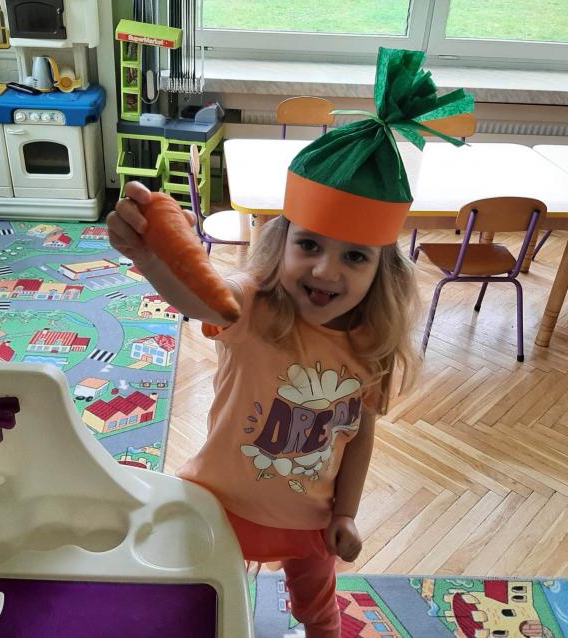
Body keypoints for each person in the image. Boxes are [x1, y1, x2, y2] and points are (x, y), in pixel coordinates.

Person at [107, 47, 472, 638]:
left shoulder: (371, 345)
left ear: (382, 269)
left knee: (319, 611)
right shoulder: (251, 307)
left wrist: (346, 513)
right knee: (201, 603)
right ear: (282, 241)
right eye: (310, 245)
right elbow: (199, 298)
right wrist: (151, 258)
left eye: (355, 257)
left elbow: (359, 438)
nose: (326, 271)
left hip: (309, 520)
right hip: (218, 505)